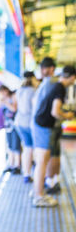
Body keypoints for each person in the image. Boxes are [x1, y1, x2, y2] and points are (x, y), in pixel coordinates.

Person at [31, 65, 76, 207]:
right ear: (72, 76)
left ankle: (37, 192)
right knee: (42, 162)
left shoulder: (55, 85)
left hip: (39, 124)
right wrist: (67, 116)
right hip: (44, 126)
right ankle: (39, 196)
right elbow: (55, 112)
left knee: (41, 162)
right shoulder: (60, 88)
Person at [14, 71, 40, 183]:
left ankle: (26, 173)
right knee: (33, 149)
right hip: (30, 123)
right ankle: (35, 173)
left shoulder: (19, 91)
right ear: (33, 78)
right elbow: (36, 108)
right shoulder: (34, 91)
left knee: (27, 148)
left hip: (19, 122)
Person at [0, 85, 21, 174]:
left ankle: (17, 165)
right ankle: (11, 164)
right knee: (10, 146)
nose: (3, 93)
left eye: (4, 91)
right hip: (7, 125)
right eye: (1, 92)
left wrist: (6, 102)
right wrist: (1, 101)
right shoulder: (2, 99)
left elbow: (14, 109)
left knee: (16, 145)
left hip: (15, 124)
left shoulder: (13, 96)